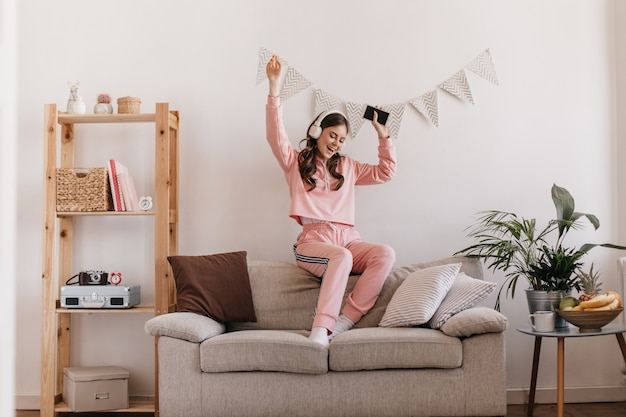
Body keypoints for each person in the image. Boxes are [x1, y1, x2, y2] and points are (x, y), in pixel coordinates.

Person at [265, 55, 396, 347]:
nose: (336, 142)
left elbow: (386, 172)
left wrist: (382, 134)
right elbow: (275, 137)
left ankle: (345, 321)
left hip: (349, 238)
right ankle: (320, 330)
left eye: (342, 139)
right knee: (341, 257)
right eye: (332, 135)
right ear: (317, 132)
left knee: (384, 254)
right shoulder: (296, 163)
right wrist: (274, 87)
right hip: (314, 241)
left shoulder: (348, 167)